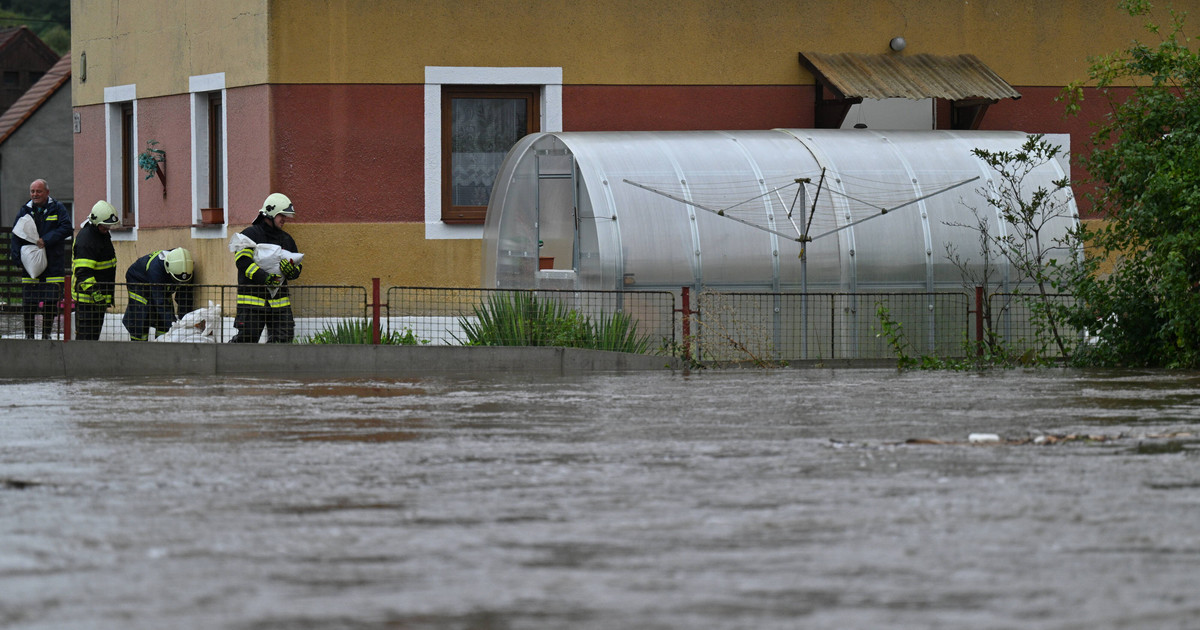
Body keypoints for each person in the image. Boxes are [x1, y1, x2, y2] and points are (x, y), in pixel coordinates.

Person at [231, 193, 302, 343]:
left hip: (280, 305)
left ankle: (272, 367)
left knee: (283, 341)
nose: (284, 219)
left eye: (285, 216)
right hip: (252, 303)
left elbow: (297, 267)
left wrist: (292, 271)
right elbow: (242, 262)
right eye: (281, 215)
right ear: (270, 213)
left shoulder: (287, 239)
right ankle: (229, 365)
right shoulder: (250, 235)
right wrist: (264, 278)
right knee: (245, 343)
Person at [9, 179, 74, 339]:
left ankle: (46, 335)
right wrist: (18, 259)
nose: (34, 195)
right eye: (32, 191)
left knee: (51, 302)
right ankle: (29, 335)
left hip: (53, 264)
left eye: (38, 191)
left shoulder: (57, 208)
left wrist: (46, 240)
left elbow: (66, 228)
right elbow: (16, 235)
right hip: (30, 266)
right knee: (29, 303)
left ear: (47, 192)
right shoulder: (25, 210)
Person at [121, 248, 195, 341]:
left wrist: (184, 322)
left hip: (158, 283)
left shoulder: (186, 269)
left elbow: (184, 299)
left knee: (164, 319)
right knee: (141, 314)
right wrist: (174, 325)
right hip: (138, 282)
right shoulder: (155, 269)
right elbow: (160, 302)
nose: (178, 284)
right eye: (176, 281)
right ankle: (138, 346)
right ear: (168, 269)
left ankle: (162, 344)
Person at [71, 201, 120, 340]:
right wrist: (96, 295)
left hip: (97, 299)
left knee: (93, 338)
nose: (108, 229)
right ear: (95, 222)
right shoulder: (87, 240)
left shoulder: (100, 234)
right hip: (88, 300)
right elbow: (83, 273)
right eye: (105, 227)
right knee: (86, 339)